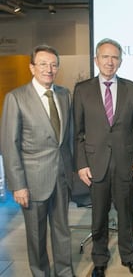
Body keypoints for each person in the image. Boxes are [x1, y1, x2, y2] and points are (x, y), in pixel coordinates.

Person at [73, 38, 133, 277]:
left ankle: (128, 256)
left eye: (114, 57)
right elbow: (78, 133)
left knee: (126, 213)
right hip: (95, 164)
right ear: (96, 60)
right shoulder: (82, 89)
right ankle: (100, 260)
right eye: (105, 57)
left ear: (120, 61)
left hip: (126, 163)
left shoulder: (132, 88)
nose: (110, 61)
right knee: (98, 216)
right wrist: (82, 164)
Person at [0, 45, 74, 276]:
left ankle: (64, 272)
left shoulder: (63, 95)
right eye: (43, 64)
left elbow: (66, 138)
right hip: (32, 183)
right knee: (36, 235)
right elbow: (9, 145)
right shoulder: (16, 98)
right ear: (32, 67)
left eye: (53, 64)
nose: (49, 69)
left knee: (62, 232)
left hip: (61, 178)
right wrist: (18, 185)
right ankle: (40, 273)